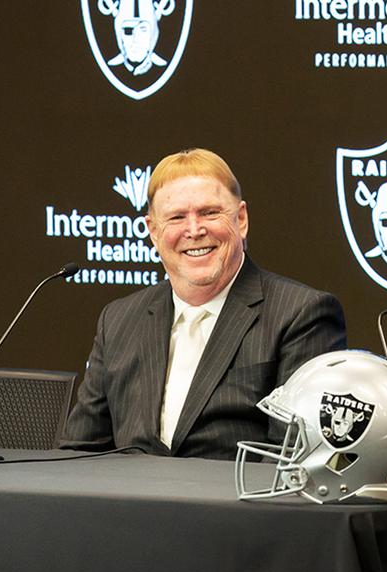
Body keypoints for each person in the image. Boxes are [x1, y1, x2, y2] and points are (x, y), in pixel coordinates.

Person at [60, 148, 347, 459]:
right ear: (153, 232)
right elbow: (80, 451)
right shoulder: (118, 319)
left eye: (210, 213)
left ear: (241, 219)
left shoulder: (301, 314)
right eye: (177, 217)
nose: (194, 230)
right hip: (129, 506)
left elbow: (292, 458)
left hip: (238, 505)